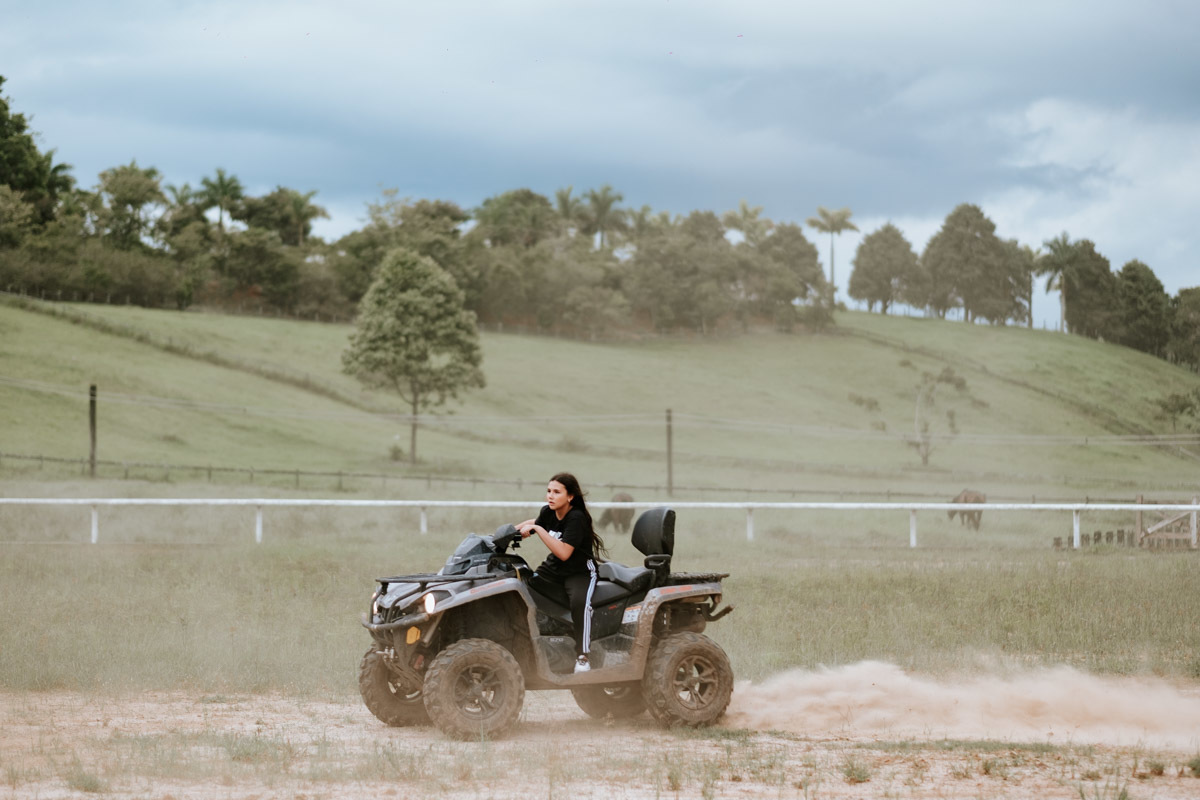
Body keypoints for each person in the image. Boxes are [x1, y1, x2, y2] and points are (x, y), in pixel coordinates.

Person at [517, 472, 607, 673]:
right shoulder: (549, 512)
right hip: (554, 569)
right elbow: (534, 523)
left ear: (570, 496)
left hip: (580, 572)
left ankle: (583, 656)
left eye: (557, 492)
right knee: (521, 588)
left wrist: (538, 530)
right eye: (549, 491)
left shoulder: (577, 517)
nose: (551, 496)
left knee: (580, 604)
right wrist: (503, 535)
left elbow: (564, 552)